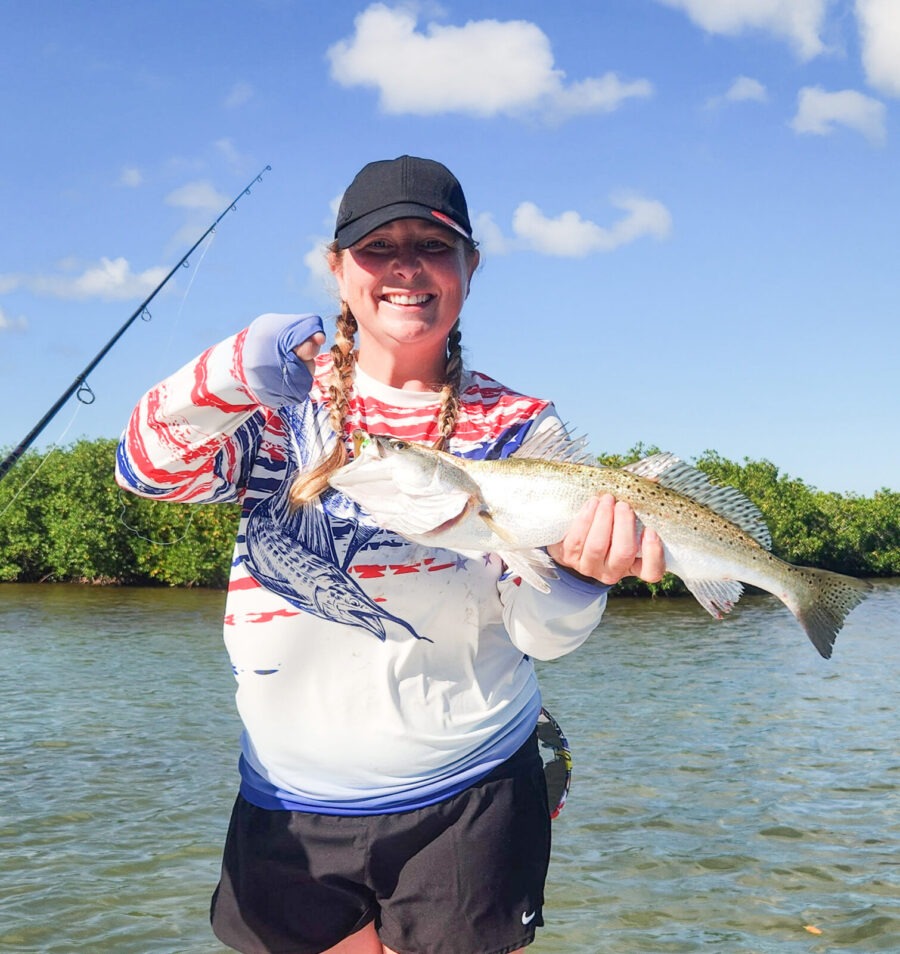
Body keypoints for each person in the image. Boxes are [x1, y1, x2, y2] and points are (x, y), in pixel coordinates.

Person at [116, 155, 665, 954]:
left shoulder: (518, 425)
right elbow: (147, 470)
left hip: (468, 794)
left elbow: (543, 636)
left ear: (470, 268)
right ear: (337, 271)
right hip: (283, 798)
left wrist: (581, 575)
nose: (406, 267)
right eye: (377, 247)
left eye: (434, 246)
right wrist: (231, 367)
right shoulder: (277, 403)